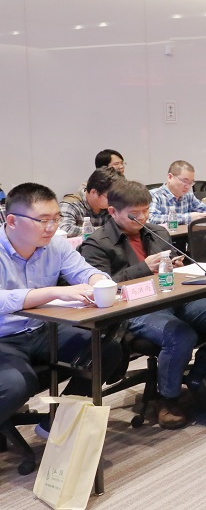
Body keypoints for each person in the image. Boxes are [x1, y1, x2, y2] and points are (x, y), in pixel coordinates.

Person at [80, 181, 206, 429]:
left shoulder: (157, 232)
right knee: (180, 334)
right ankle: (167, 399)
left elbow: (171, 267)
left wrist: (175, 265)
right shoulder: (96, 243)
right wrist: (144, 268)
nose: (142, 218)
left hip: (172, 298)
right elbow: (102, 287)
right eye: (134, 214)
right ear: (112, 211)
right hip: (132, 309)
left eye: (146, 210)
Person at [0, 183, 123, 432]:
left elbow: (85, 271)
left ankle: (57, 424)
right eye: (42, 220)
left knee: (106, 349)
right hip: (4, 337)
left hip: (41, 329)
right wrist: (54, 292)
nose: (52, 227)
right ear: (12, 221)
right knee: (17, 384)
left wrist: (99, 284)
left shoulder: (55, 245)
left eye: (55, 219)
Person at [58, 166, 121, 236]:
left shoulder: (111, 206)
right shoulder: (70, 204)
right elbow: (65, 230)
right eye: (110, 197)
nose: (114, 201)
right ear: (93, 192)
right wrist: (104, 230)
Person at [149, 160, 206, 225]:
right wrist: (189, 217)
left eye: (191, 182)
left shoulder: (188, 195)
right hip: (165, 232)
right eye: (184, 181)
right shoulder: (154, 195)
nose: (188, 187)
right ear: (170, 177)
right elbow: (152, 219)